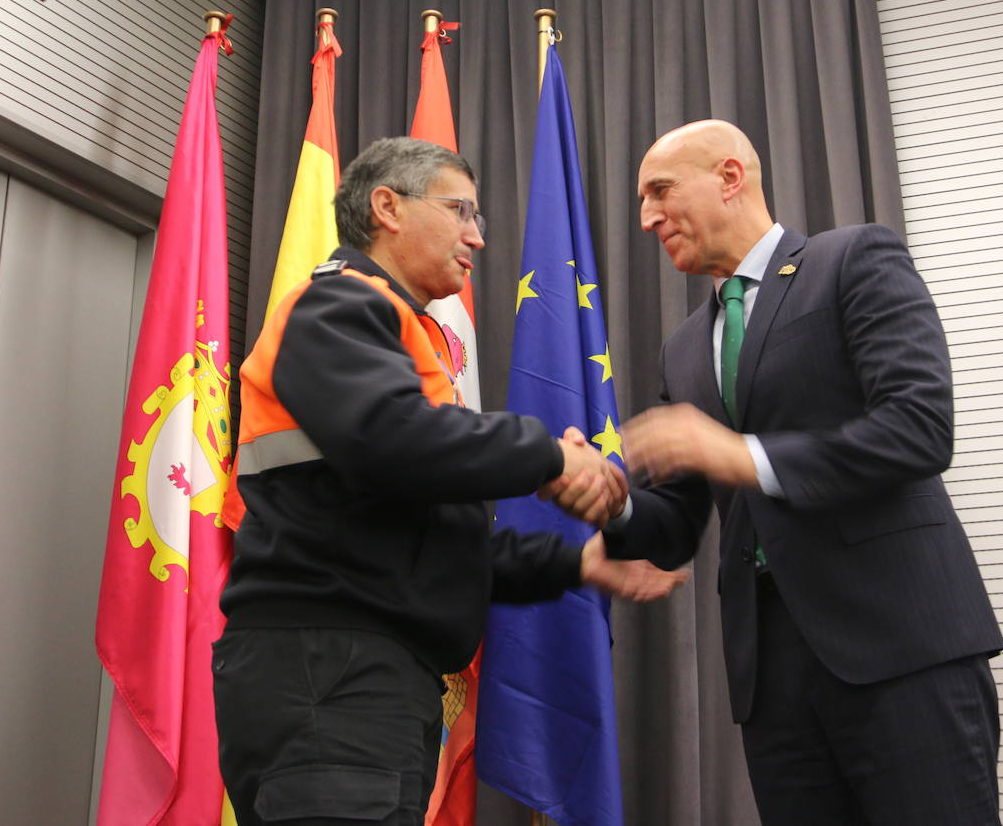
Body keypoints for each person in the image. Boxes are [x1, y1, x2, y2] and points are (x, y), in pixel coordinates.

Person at [213, 136, 685, 826]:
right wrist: (550, 456)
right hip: (328, 669)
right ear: (387, 208)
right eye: (461, 211)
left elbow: (420, 534)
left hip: (362, 673)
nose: (477, 237)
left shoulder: (402, 333)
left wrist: (571, 561)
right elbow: (396, 442)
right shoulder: (338, 310)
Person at [598, 119, 1003, 824]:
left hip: (900, 648)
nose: (647, 218)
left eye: (660, 191)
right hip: (773, 682)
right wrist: (609, 501)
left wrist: (745, 456)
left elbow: (919, 428)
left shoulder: (854, 260)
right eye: (642, 201)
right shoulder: (684, 349)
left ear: (730, 177)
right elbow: (676, 526)